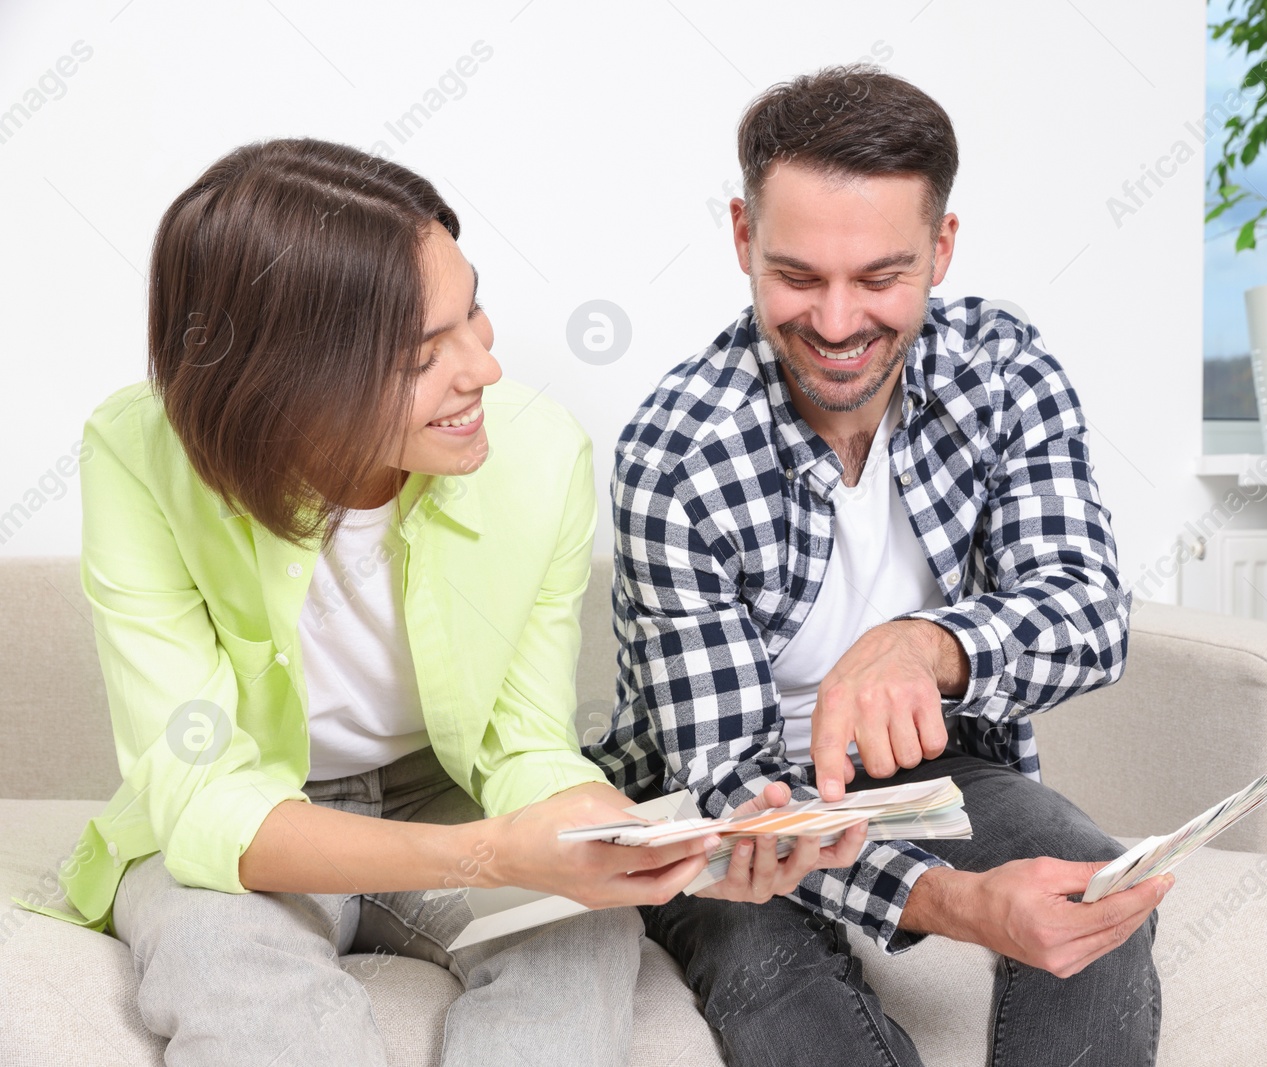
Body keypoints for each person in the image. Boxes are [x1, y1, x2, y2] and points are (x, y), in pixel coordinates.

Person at [21, 138, 738, 1067]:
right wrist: (497, 855)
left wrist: (600, 831)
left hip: (444, 793)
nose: (482, 368)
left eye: (472, 308)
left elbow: (524, 743)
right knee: (219, 956)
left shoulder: (541, 454)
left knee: (585, 934)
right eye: (420, 354)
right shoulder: (137, 454)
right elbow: (201, 800)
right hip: (252, 807)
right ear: (291, 379)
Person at [586, 67, 1167, 1066]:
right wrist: (954, 901)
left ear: (942, 248)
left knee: (1093, 885)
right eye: (799, 276)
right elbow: (724, 785)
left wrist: (927, 645)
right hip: (730, 806)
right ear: (741, 237)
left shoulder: (1003, 371)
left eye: (880, 277)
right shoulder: (678, 453)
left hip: (927, 770)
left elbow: (1087, 613)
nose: (839, 321)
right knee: (773, 977)